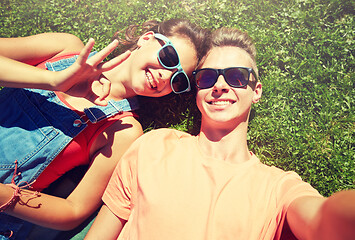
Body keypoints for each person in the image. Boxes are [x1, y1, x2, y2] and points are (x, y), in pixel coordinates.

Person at [85, 27, 355, 240]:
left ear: (256, 91)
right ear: (198, 91)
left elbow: (322, 219)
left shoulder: (277, 188)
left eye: (237, 76)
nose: (221, 85)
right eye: (207, 77)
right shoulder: (153, 147)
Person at [0, 19, 210, 240]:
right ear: (146, 39)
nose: (165, 76)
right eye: (169, 58)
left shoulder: (123, 129)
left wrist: (5, 195)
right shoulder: (65, 48)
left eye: (178, 80)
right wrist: (53, 81)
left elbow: (73, 210)